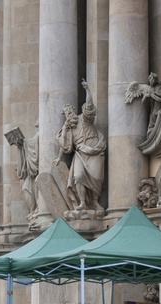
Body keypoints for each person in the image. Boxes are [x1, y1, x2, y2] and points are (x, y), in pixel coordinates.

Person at [58, 79, 107, 213]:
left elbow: (90, 107)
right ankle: (83, 203)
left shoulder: (83, 118)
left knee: (97, 177)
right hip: (80, 153)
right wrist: (64, 129)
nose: (69, 115)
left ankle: (95, 202)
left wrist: (88, 90)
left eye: (70, 112)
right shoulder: (69, 129)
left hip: (95, 149)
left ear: (74, 111)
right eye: (67, 114)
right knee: (78, 177)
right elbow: (65, 147)